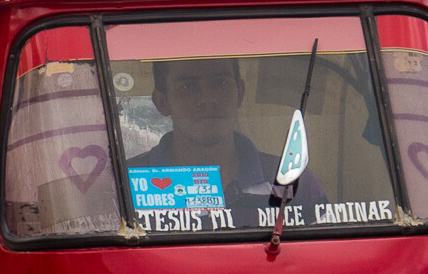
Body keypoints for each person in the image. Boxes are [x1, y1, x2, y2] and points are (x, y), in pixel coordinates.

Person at [127, 57, 325, 218]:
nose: (208, 100)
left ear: (240, 92)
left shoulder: (291, 181)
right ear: (161, 102)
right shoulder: (125, 186)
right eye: (188, 87)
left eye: (220, 82)